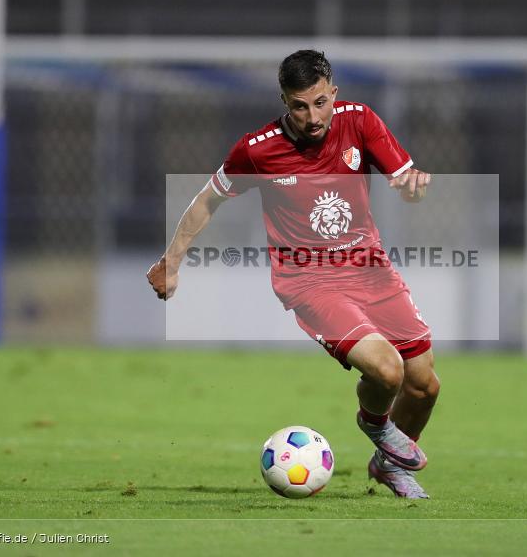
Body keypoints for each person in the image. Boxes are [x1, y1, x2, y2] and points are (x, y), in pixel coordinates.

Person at [147, 50, 440, 499]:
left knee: (423, 385)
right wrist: (172, 261)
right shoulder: (258, 149)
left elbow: (407, 182)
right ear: (285, 101)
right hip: (310, 281)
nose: (312, 116)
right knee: (387, 371)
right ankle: (376, 426)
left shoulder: (359, 121)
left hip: (369, 268)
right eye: (299, 106)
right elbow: (208, 199)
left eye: (320, 102)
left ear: (333, 93)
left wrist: (412, 188)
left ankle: (387, 467)